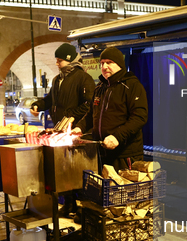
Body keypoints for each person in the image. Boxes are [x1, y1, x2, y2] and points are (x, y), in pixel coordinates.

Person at [30, 43, 95, 217]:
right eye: (56, 61)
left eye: (60, 61)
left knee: (78, 169)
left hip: (75, 131)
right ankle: (69, 203)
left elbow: (88, 104)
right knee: (64, 169)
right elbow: (50, 99)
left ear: (69, 60)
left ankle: (83, 206)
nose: (57, 64)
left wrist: (72, 117)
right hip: (60, 131)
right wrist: (39, 105)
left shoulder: (83, 78)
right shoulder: (57, 79)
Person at [73, 46, 148, 172]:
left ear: (119, 64)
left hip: (125, 154)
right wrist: (79, 128)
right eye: (102, 63)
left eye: (109, 62)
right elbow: (91, 113)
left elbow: (139, 117)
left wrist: (117, 137)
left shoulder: (132, 85)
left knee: (124, 190)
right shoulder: (100, 87)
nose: (104, 66)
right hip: (102, 152)